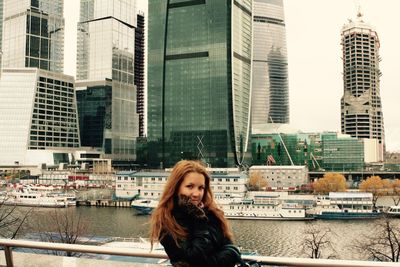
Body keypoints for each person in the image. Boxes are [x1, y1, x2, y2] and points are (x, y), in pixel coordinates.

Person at [150, 160, 243, 267]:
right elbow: (195, 258)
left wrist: (229, 253)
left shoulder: (211, 213)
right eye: (190, 186)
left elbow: (228, 245)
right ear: (176, 187)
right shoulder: (168, 221)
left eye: (201, 188)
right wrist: (199, 219)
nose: (196, 194)